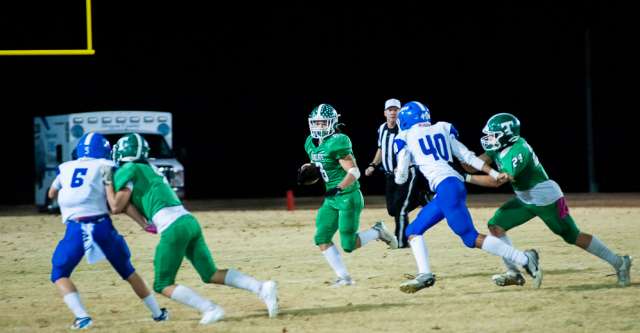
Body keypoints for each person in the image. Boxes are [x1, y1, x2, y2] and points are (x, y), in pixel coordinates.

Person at [103, 133, 278, 325]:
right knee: (210, 273)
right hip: (188, 220)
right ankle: (261, 287)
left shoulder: (128, 168)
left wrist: (107, 183)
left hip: (172, 227)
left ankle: (210, 309)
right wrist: (143, 224)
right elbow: (128, 205)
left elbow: (116, 206)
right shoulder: (148, 168)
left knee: (162, 284)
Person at [463, 113, 632, 287]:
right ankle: (514, 272)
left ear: (507, 134)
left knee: (572, 236)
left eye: (494, 135)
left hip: (545, 198)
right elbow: (472, 164)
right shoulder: (499, 146)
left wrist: (465, 178)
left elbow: (497, 181)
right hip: (525, 198)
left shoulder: (518, 150)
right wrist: (457, 153)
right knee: (496, 226)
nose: (489, 139)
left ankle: (620, 262)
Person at [394, 101, 542, 293]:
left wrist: (399, 172)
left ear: (405, 119)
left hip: (446, 187)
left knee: (470, 238)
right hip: (451, 186)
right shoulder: (442, 127)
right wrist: (494, 174)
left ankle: (524, 259)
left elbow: (401, 176)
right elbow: (468, 156)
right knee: (413, 230)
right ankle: (425, 274)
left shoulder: (404, 136)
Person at [48, 132, 167, 330]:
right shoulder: (108, 166)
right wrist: (143, 224)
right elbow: (121, 205)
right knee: (128, 271)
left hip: (76, 227)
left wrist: (71, 200)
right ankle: (158, 313)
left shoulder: (66, 168)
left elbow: (52, 194)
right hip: (102, 226)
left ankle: (82, 316)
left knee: (59, 273)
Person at [305, 103, 399, 287]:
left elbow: (354, 172)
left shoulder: (338, 142)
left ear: (332, 123)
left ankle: (377, 232)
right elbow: (321, 168)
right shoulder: (310, 142)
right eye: (316, 123)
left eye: (323, 123)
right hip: (332, 198)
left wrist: (339, 187)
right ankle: (344, 278)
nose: (319, 127)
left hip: (348, 195)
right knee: (321, 237)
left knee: (348, 244)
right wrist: (307, 171)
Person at [365, 98, 430, 248]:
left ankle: (401, 242)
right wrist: (373, 164)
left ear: (400, 112)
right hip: (389, 175)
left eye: (396, 109)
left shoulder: (405, 129)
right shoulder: (382, 129)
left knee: (400, 209)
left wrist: (402, 165)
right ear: (385, 112)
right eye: (390, 110)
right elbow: (381, 149)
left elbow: (412, 149)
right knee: (392, 209)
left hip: (406, 172)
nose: (393, 112)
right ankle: (421, 198)